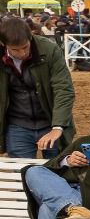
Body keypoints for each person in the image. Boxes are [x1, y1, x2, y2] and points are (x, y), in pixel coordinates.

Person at [1, 15, 74, 160]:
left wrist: (58, 127)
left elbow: (64, 89)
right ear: (4, 45)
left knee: (59, 170)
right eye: (15, 50)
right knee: (22, 171)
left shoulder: (49, 49)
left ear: (31, 38)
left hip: (50, 120)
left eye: (25, 47)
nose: (22, 53)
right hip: (17, 124)